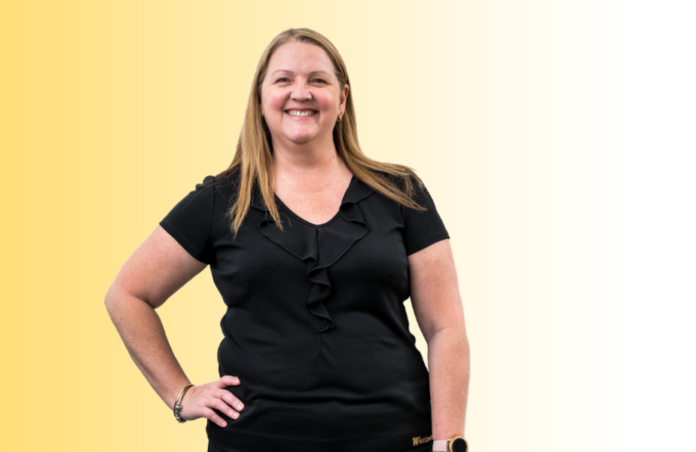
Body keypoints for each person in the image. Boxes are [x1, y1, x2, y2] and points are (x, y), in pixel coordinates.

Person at [104, 28, 470, 452]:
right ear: (260, 100)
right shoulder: (220, 200)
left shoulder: (401, 192)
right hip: (256, 440)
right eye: (283, 80)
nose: (302, 92)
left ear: (343, 98)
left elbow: (445, 328)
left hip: (394, 438)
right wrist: (180, 395)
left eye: (318, 80)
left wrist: (449, 440)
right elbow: (127, 295)